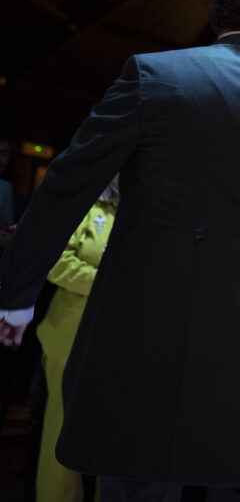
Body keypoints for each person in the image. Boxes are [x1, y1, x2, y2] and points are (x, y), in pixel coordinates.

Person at [0, 0, 240, 500]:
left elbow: (66, 187)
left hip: (148, 342)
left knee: (135, 485)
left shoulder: (155, 76)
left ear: (221, 16)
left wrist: (16, 293)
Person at [35, 177, 118, 502]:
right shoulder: (84, 204)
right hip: (68, 341)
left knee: (108, 448)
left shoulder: (140, 214)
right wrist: (105, 283)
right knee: (61, 439)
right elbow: (53, 259)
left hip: (115, 348)